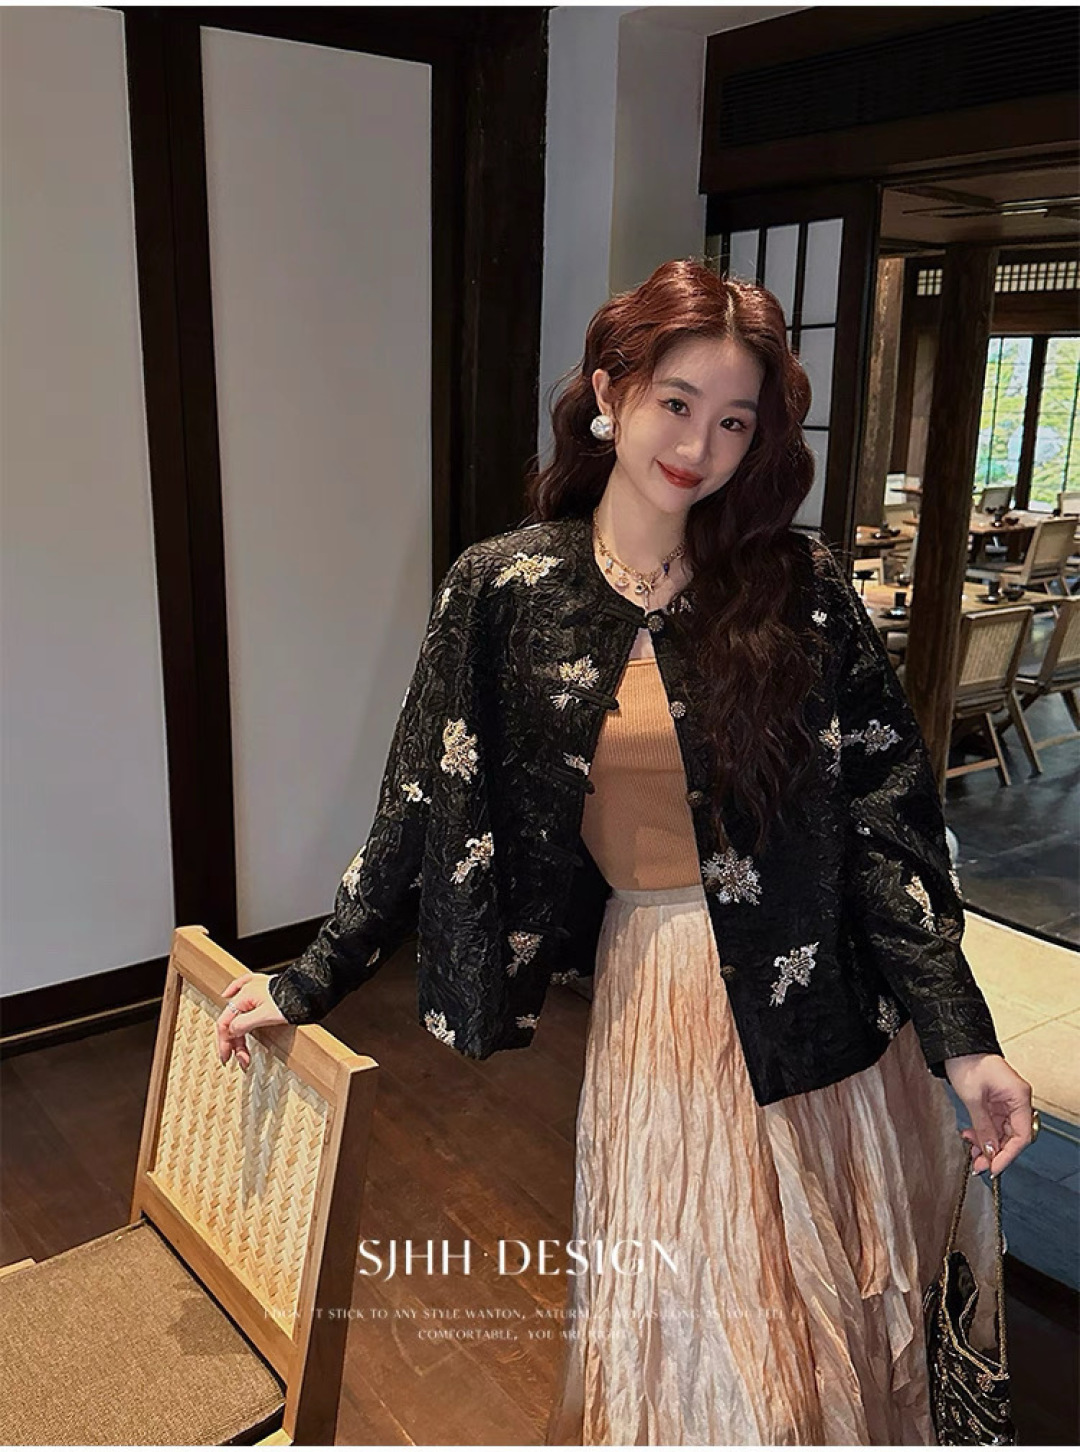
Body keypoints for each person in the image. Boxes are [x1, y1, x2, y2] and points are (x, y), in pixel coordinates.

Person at [215, 259, 1036, 1446]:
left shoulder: (797, 587)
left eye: (736, 420)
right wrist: (307, 978)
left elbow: (885, 823)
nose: (700, 445)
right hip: (660, 1006)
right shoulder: (507, 588)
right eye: (677, 402)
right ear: (610, 391)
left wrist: (965, 1039)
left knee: (824, 1347)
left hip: (828, 1020)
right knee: (700, 1347)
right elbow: (420, 805)